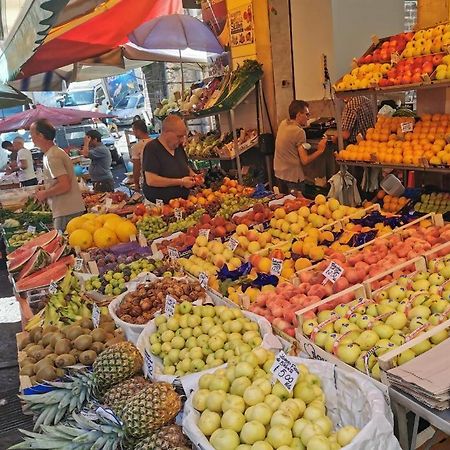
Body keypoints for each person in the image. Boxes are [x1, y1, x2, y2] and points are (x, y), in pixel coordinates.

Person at [30, 119, 85, 231]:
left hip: (66, 211)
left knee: (64, 244)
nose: (31, 139)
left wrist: (44, 193)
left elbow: (64, 185)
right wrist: (46, 187)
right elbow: (59, 181)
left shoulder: (52, 156)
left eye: (32, 134)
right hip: (67, 209)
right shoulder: (52, 153)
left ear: (40, 135)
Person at [142, 114, 200, 203]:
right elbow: (151, 180)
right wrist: (181, 182)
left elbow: (184, 165)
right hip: (160, 207)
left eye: (184, 136)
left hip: (182, 203)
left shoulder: (178, 147)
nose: (182, 140)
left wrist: (194, 176)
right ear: (166, 133)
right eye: (179, 136)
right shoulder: (152, 148)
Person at [274, 100, 327, 194]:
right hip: (293, 178)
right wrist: (320, 150)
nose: (308, 117)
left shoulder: (283, 124)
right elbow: (305, 160)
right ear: (299, 115)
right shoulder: (299, 132)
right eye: (307, 115)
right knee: (299, 206)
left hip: (279, 174)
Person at [130, 119, 151, 191]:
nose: (133, 132)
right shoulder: (155, 142)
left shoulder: (137, 147)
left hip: (146, 180)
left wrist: (136, 183)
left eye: (133, 130)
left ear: (138, 131)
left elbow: (136, 167)